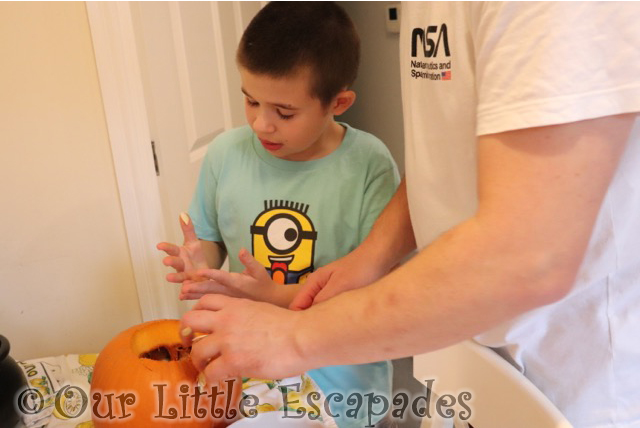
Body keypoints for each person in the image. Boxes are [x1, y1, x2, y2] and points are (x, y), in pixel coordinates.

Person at [179, 3, 640, 427]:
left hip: (571, 375)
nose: (262, 122)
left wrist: (293, 336)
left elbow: (532, 255)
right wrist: (372, 255)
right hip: (467, 352)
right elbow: (445, 157)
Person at [158, 2, 400, 427]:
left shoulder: (369, 164)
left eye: (283, 113)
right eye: (251, 101)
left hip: (341, 383)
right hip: (247, 371)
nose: (260, 125)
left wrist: (280, 298)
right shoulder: (225, 154)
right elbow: (212, 240)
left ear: (338, 103)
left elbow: (374, 288)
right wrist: (201, 262)